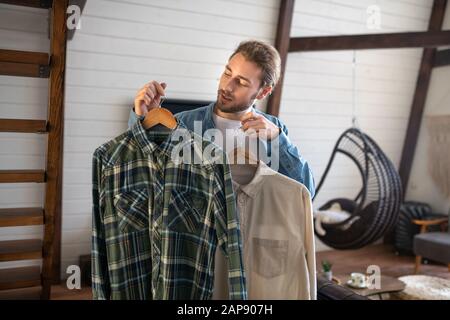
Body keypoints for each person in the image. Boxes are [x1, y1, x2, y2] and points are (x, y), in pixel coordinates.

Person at [128, 40, 315, 198]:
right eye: (227, 73)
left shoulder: (274, 131)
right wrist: (145, 121)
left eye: (241, 82)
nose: (227, 86)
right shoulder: (183, 123)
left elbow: (305, 192)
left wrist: (278, 140)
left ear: (263, 92)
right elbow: (139, 177)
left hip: (253, 239)